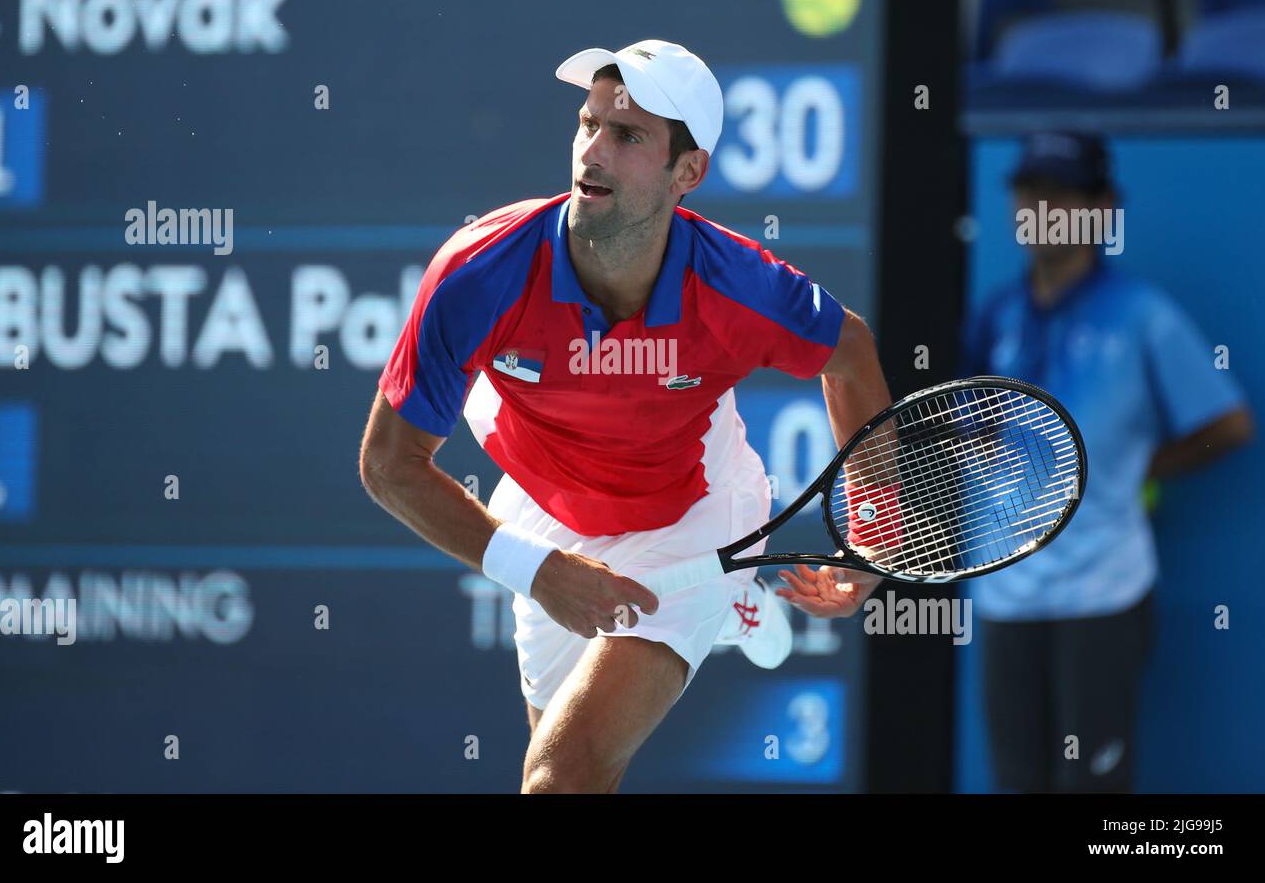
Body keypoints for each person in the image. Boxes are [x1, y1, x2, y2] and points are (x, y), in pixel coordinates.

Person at [358, 40, 892, 793]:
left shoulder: (740, 287)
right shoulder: (479, 273)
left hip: (693, 512)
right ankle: (736, 604)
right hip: (548, 512)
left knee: (558, 779)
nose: (593, 152)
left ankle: (719, 590)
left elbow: (852, 352)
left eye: (628, 135)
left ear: (688, 173)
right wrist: (536, 568)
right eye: (589, 124)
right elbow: (388, 466)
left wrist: (874, 532)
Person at [782, 131, 1255, 791]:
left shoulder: (1143, 318)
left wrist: (1136, 471)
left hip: (1104, 596)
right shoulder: (993, 317)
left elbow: (1229, 423)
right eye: (1032, 192)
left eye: (1062, 193)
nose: (1042, 207)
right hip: (1004, 595)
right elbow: (960, 433)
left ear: (1104, 206)